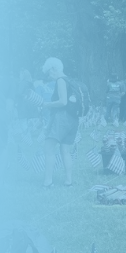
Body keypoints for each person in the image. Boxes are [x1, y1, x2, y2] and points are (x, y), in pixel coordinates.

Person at [40, 57, 77, 188]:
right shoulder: (70, 80)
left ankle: (48, 182)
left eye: (49, 73)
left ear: (53, 69)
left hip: (62, 118)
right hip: (73, 119)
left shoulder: (61, 80)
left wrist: (47, 104)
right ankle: (69, 182)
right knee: (65, 150)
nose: (49, 76)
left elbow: (63, 101)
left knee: (48, 148)